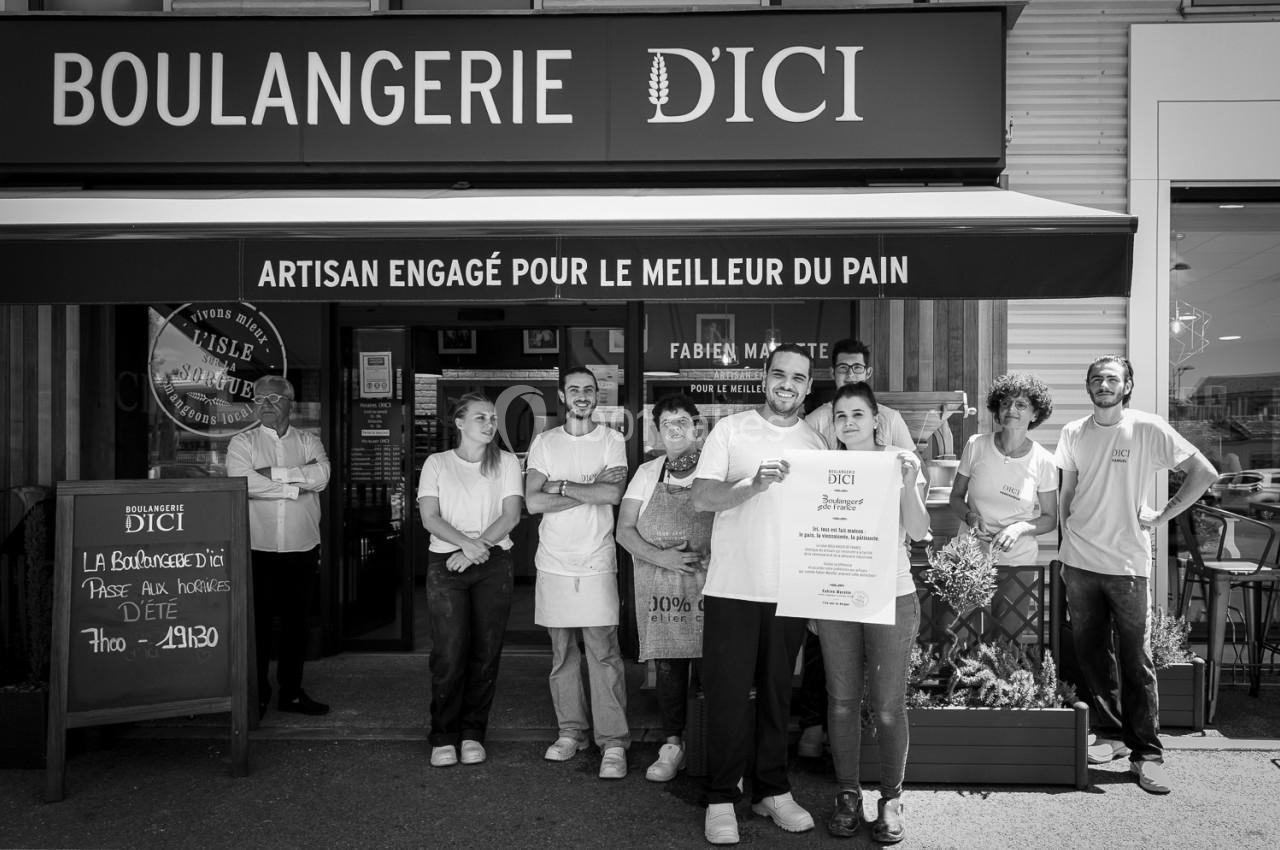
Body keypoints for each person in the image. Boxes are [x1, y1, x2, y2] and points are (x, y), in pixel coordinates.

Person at [1055, 355, 1216, 795]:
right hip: (1080, 562)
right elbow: (1067, 495)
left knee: (1136, 661)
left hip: (1127, 565)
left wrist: (1163, 516)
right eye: (1095, 378)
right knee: (1091, 656)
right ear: (1087, 387)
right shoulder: (1073, 432)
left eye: (1112, 378)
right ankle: (1110, 738)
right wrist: (1067, 552)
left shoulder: (1147, 427)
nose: (1103, 384)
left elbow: (1204, 472)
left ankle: (1148, 754)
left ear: (1127, 385)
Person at [692, 343, 826, 845]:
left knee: (775, 696)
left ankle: (771, 789)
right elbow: (703, 498)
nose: (787, 384)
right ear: (764, 379)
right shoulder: (731, 430)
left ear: (809, 387)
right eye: (779, 374)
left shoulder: (817, 443)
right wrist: (751, 484)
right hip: (732, 586)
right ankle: (722, 795)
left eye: (798, 377)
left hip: (788, 589)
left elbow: (823, 521)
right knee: (727, 693)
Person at [815, 383, 929, 844]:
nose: (848, 423)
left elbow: (919, 530)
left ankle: (891, 798)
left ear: (876, 420)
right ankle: (847, 794)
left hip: (892, 595)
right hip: (836, 595)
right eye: (841, 416)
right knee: (841, 701)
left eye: (857, 414)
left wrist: (906, 480)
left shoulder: (900, 460)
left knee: (886, 706)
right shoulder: (822, 467)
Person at [797, 338, 917, 758]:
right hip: (832, 567)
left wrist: (908, 479)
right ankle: (817, 730)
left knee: (885, 695)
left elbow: (910, 503)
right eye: (842, 367)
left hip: (881, 573)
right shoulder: (814, 421)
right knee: (831, 677)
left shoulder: (892, 424)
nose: (850, 373)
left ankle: (883, 782)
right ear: (833, 373)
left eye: (857, 368)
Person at [524, 366, 631, 780]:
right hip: (553, 561)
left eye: (589, 389)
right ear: (563, 396)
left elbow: (612, 493)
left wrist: (560, 487)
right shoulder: (545, 442)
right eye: (574, 390)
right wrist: (584, 489)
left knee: (604, 655)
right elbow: (532, 503)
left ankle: (614, 742)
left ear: (596, 396)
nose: (582, 396)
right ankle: (571, 732)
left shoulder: (611, 440)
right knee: (563, 654)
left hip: (597, 559)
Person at [416, 392, 523, 768]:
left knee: (486, 650)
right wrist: (466, 546)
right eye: (481, 417)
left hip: (494, 563)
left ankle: (473, 732)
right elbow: (430, 517)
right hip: (446, 564)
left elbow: (511, 515)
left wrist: (476, 550)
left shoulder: (506, 462)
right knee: (449, 651)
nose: (490, 423)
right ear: (459, 423)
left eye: (492, 418)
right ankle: (443, 734)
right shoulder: (437, 463)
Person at [616, 395, 713, 783]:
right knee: (671, 667)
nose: (674, 428)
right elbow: (624, 531)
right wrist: (665, 559)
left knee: (713, 669)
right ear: (657, 430)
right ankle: (673, 743)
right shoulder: (648, 472)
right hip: (662, 587)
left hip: (711, 587)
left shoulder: (714, 467)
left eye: (681, 421)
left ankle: (708, 742)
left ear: (696, 427)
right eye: (666, 422)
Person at [227, 375, 331, 718]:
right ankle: (257, 693)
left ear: (290, 402)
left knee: (296, 624)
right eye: (258, 400)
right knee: (256, 625)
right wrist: (292, 486)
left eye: (273, 399)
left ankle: (291, 692)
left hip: (301, 546)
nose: (265, 406)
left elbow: (323, 476)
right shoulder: (242, 443)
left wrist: (272, 474)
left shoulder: (309, 440)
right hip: (258, 545)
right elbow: (241, 481)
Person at [949, 372, 1058, 569]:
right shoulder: (976, 445)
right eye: (1005, 403)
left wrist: (1018, 529)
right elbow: (956, 497)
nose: (1011, 409)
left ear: (1035, 413)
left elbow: (1050, 519)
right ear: (997, 410)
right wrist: (970, 517)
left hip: (1017, 562)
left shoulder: (1044, 460)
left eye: (1021, 405)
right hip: (970, 558)